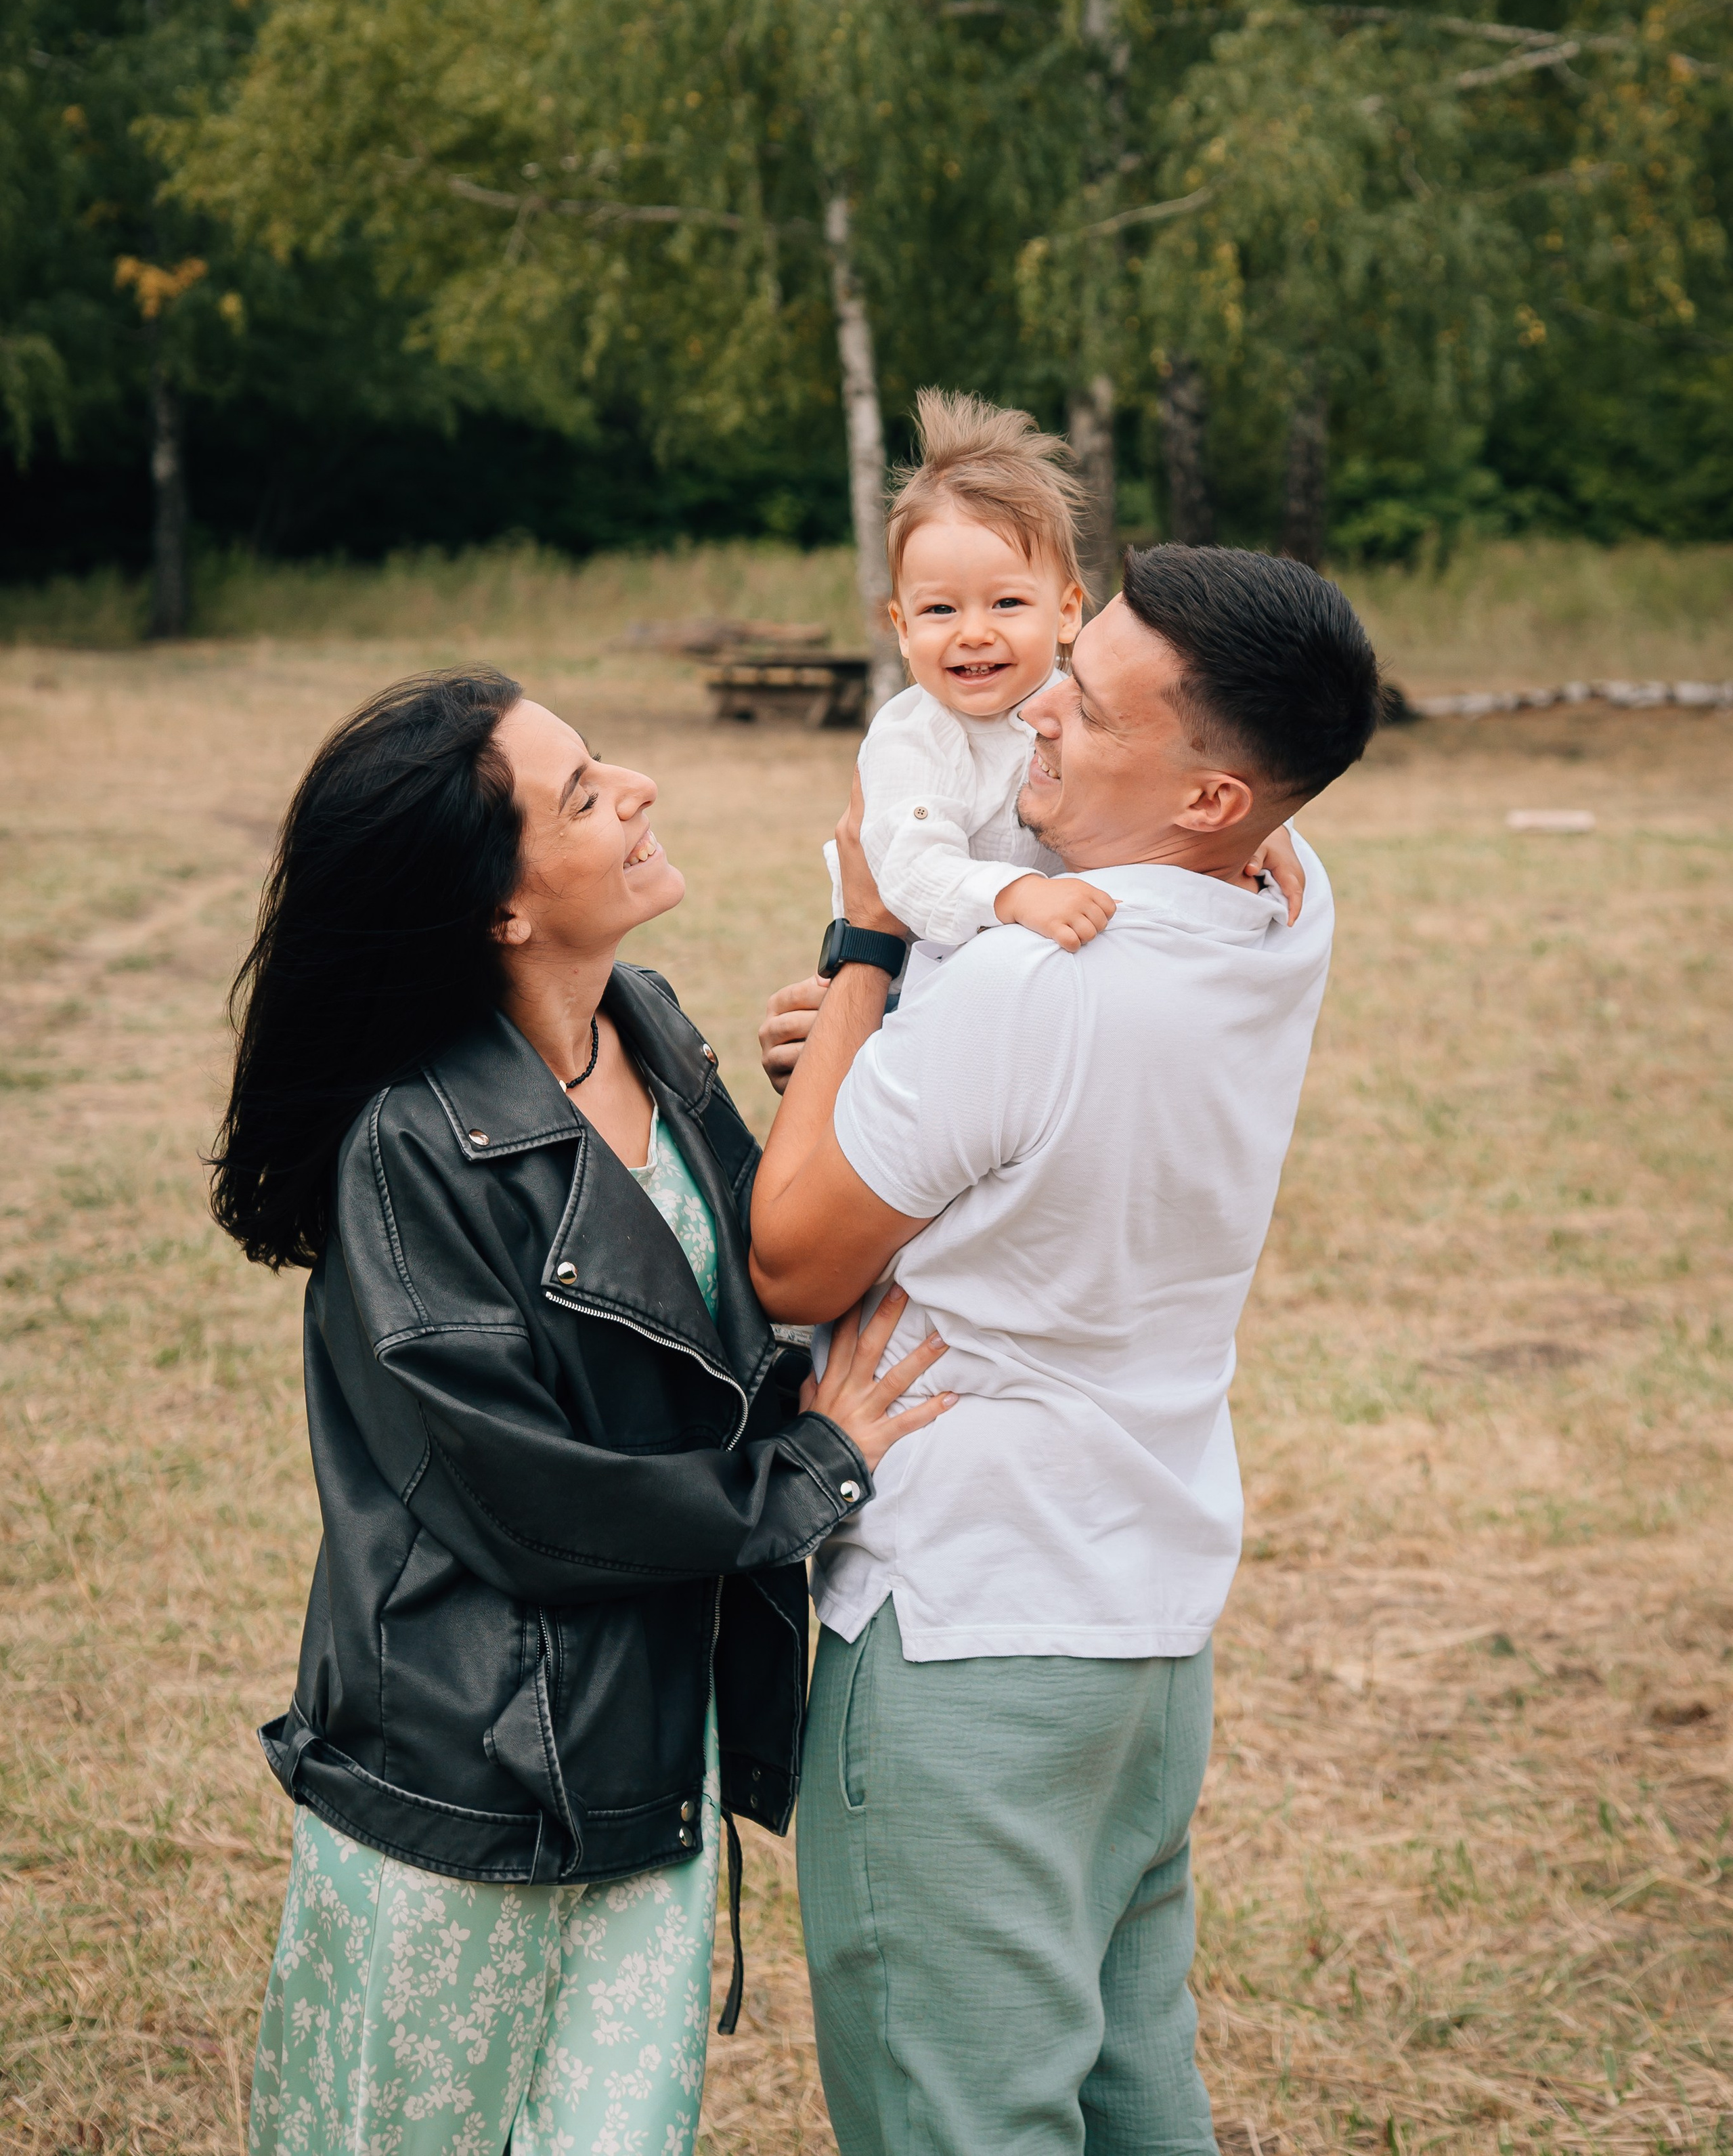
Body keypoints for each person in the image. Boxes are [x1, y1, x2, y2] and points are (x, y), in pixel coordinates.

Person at [209, 667, 951, 2156]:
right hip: (475, 1774)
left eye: (605, 764)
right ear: (498, 908)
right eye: (583, 793)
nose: (638, 793)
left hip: (646, 1757)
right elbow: (521, 1499)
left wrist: (840, 1032)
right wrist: (813, 1471)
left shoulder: (648, 1026)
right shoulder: (402, 1152)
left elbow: (755, 1274)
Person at [751, 545, 1384, 2156]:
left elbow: (790, 1253)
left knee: (959, 2114)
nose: (1031, 703)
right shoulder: (1285, 903)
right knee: (1130, 2092)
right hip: (1142, 1618)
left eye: (1087, 702)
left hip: (964, 1629)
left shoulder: (1035, 985)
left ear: (1208, 794)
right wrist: (869, 1035)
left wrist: (864, 948)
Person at [825, 390, 1300, 978]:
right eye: (940, 610)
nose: (973, 633)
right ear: (901, 627)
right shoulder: (915, 735)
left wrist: (1263, 828)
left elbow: (1180, 760)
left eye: (1007, 602)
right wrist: (1019, 894)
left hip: (1048, 963)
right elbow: (911, 868)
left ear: (1068, 610)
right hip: (916, 985)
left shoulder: (1076, 705)